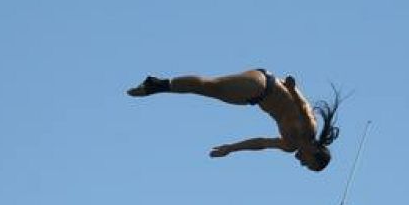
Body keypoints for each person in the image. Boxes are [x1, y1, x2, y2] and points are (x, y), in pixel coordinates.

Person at [127, 69, 340, 172]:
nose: (301, 163)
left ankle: (157, 84)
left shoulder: (289, 145)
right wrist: (293, 89)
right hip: (265, 85)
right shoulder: (309, 129)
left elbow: (261, 143)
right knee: (212, 87)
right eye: (308, 163)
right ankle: (158, 85)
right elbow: (304, 108)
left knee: (209, 90)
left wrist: (231, 148)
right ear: (315, 151)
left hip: (255, 98)